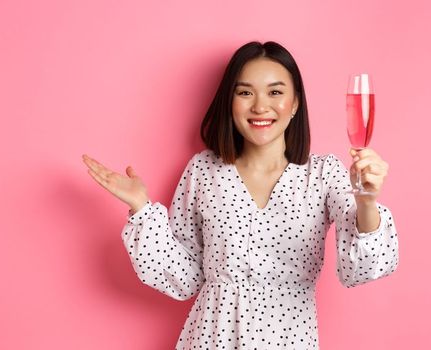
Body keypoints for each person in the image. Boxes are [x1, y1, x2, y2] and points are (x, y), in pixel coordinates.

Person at [82, 41, 399, 349]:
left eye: (275, 92)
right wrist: (141, 209)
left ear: (296, 104)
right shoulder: (203, 170)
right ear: (229, 102)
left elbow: (362, 268)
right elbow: (185, 278)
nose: (260, 106)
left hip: (289, 339)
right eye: (245, 92)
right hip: (211, 338)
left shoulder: (324, 174)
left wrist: (367, 201)